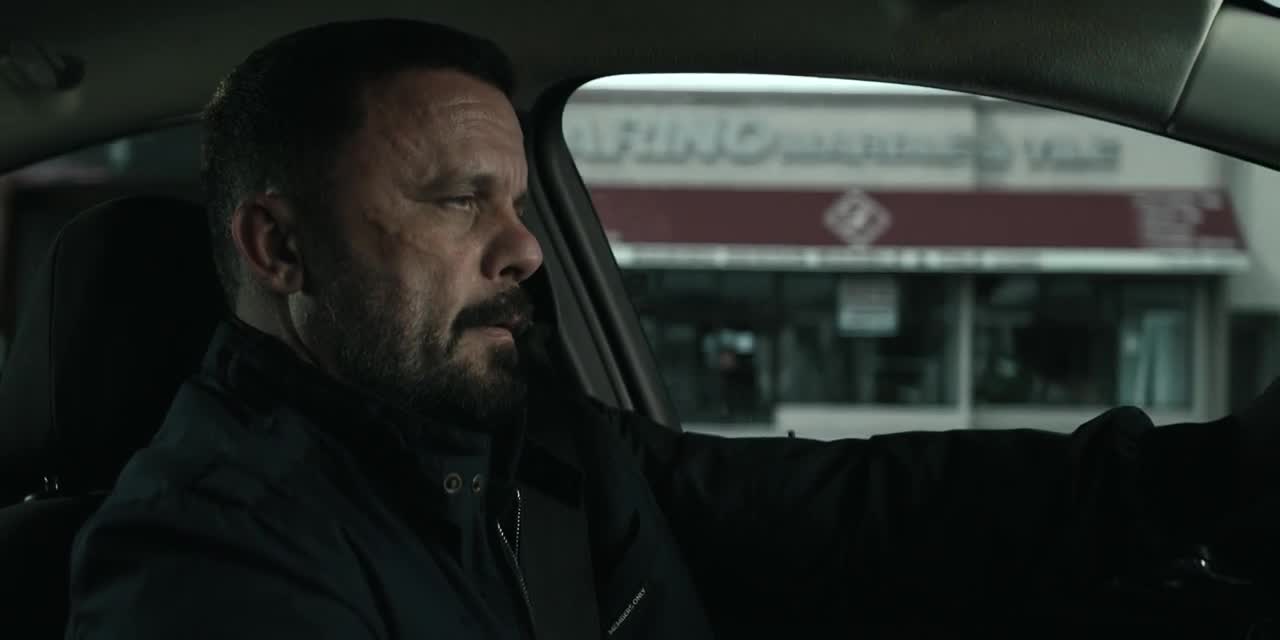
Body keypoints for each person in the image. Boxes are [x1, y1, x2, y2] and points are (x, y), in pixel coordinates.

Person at [65, 19, 1278, 640]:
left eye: (519, 203)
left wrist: (1208, 471)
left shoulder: (529, 441)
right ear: (280, 250)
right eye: (456, 202)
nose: (524, 250)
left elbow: (842, 517)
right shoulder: (208, 561)